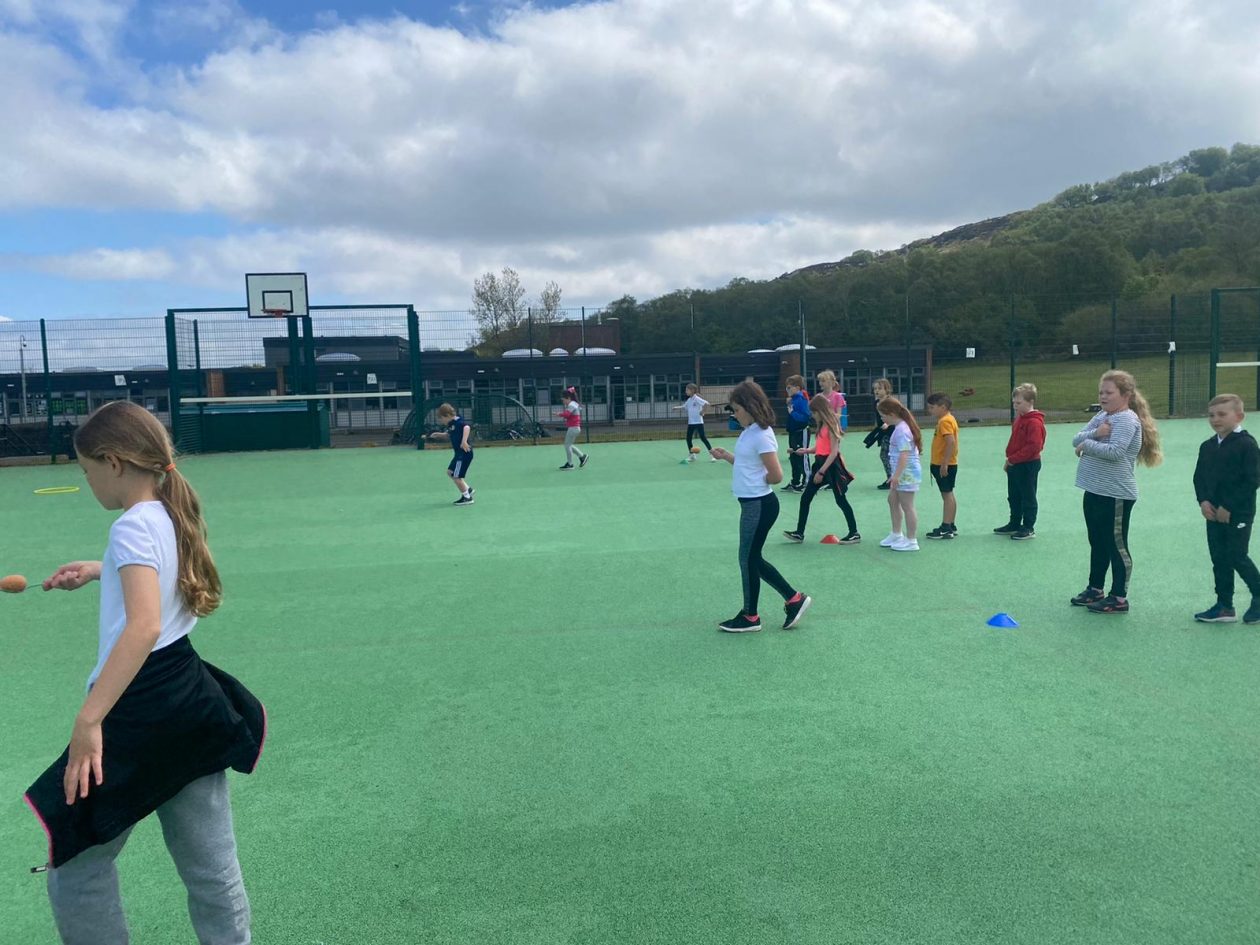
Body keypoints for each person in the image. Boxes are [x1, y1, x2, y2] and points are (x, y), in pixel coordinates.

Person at [24, 400, 264, 945]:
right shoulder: (167, 511)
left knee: (76, 868)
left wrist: (89, 722)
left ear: (112, 462)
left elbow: (144, 626)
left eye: (86, 472)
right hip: (190, 703)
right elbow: (154, 576)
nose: (89, 484)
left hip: (138, 712)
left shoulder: (130, 528)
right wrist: (99, 570)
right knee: (211, 869)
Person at [709, 380, 812, 632]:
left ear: (750, 407)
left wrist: (756, 484)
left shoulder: (762, 435)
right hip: (752, 505)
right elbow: (748, 465)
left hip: (759, 505)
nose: (735, 414)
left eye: (737, 409)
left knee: (748, 558)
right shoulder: (750, 431)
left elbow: (775, 476)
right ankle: (791, 600)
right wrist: (727, 457)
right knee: (751, 557)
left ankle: (752, 615)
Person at [1071, 369, 1163, 614]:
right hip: (1094, 489)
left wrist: (1087, 444)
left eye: (1109, 392)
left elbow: (1116, 451)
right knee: (1097, 541)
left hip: (1116, 494)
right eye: (1101, 392)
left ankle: (1119, 597)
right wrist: (1093, 435)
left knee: (1116, 544)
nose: (1103, 396)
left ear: (1125, 394)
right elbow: (1076, 438)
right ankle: (1095, 589)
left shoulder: (1127, 420)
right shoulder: (1102, 416)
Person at [1192, 394, 1260, 624]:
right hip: (1212, 514)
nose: (1215, 419)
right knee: (1219, 558)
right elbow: (1199, 477)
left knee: (1236, 555)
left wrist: (1229, 506)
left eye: (1222, 414)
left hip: (1238, 513)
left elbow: (1252, 480)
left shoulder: (1247, 445)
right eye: (1211, 415)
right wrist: (1203, 502)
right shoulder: (1208, 446)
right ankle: (1224, 606)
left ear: (1239, 416)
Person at [783, 394, 859, 544]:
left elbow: (833, 452)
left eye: (814, 413)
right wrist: (806, 450)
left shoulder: (831, 425)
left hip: (831, 467)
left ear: (820, 411)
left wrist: (821, 472)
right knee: (805, 498)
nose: (812, 416)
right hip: (820, 464)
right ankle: (799, 533)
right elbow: (820, 447)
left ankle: (854, 532)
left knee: (841, 500)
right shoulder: (822, 426)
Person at [995, 383, 1046, 540]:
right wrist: (1010, 460)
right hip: (1015, 464)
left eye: (1018, 403)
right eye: (1014, 403)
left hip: (1028, 465)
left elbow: (1034, 447)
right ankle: (1015, 523)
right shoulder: (1019, 419)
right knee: (1014, 495)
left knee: (1027, 496)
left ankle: (1029, 527)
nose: (1015, 406)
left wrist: (1012, 459)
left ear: (1030, 402)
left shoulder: (1034, 422)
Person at [877, 397, 923, 552]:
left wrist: (896, 475)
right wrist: (894, 474)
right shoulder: (899, 427)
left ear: (891, 413)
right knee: (892, 500)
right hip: (901, 472)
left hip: (907, 473)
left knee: (907, 505)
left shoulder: (902, 430)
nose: (881, 418)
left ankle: (911, 540)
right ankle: (896, 534)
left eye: (883, 415)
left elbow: (904, 454)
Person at [925, 393, 960, 540]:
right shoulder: (947, 419)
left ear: (943, 407)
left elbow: (950, 442)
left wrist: (944, 463)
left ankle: (946, 527)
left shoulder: (944, 422)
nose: (930, 410)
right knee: (948, 493)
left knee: (947, 494)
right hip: (944, 463)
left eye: (932, 407)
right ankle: (950, 523)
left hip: (944, 464)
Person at [431, 403, 475, 505]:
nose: (442, 421)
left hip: (463, 454)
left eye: (442, 419)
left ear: (447, 415)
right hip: (458, 454)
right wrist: (438, 435)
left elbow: (467, 427)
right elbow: (449, 434)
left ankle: (467, 498)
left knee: (456, 477)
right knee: (450, 472)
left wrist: (464, 441)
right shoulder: (452, 424)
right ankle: (468, 489)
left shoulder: (458, 422)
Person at [863, 377, 894, 489]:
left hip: (892, 432)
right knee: (886, 455)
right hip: (884, 432)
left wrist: (889, 423)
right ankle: (892, 478)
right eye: (875, 389)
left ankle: (891, 479)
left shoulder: (890, 402)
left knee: (885, 455)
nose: (876, 391)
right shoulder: (876, 402)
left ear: (887, 389)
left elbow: (897, 415)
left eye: (880, 388)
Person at [673, 382, 715, 462]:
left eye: (687, 390)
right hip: (691, 423)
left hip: (699, 422)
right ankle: (692, 455)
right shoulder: (689, 400)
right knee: (688, 439)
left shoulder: (697, 398)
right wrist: (676, 408)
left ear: (692, 390)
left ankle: (712, 455)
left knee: (703, 438)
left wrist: (703, 411)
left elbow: (705, 404)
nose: (685, 391)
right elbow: (684, 406)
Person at [783, 375, 811, 491]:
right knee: (793, 457)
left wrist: (792, 412)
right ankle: (795, 481)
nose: (787, 390)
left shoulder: (801, 399)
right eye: (786, 388)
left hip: (801, 432)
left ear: (797, 388)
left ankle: (807, 482)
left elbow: (805, 417)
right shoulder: (793, 399)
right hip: (793, 432)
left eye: (789, 387)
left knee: (802, 455)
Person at [556, 387, 589, 470]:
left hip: (573, 428)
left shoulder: (572, 404)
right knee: (569, 445)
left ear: (568, 398)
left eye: (563, 400)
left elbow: (567, 414)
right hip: (575, 428)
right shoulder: (574, 404)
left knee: (567, 445)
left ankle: (570, 464)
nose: (563, 402)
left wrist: (558, 414)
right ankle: (582, 457)